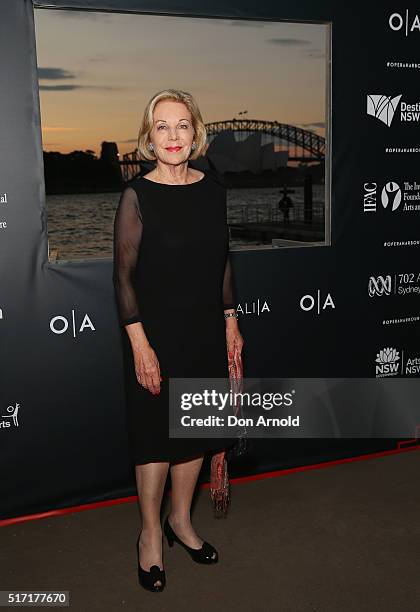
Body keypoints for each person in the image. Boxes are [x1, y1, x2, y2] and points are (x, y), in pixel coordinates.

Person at [112, 89, 244, 592]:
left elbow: (223, 262)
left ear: (196, 133)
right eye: (162, 126)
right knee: (155, 441)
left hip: (204, 331)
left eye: (182, 125)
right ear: (149, 137)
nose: (173, 136)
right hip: (155, 335)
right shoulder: (137, 196)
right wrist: (140, 345)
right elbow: (123, 279)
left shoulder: (212, 190)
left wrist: (231, 321)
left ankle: (181, 522)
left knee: (192, 434)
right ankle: (149, 535)